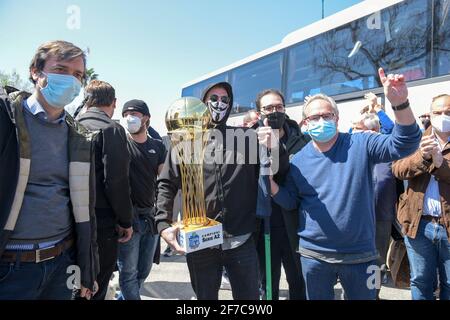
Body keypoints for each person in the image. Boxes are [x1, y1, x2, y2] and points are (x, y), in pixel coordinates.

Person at [269, 68, 422, 300]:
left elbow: (405, 143)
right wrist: (269, 184)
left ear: (337, 119)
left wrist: (399, 103)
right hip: (314, 257)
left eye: (327, 115)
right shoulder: (298, 160)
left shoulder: (361, 143)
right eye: (314, 118)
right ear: (305, 123)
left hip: (362, 257)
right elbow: (291, 201)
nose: (321, 121)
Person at [156, 82, 287, 300]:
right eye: (213, 98)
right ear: (202, 104)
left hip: (241, 240)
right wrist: (162, 224)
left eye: (225, 99)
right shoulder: (186, 140)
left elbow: (278, 170)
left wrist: (274, 147)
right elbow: (166, 184)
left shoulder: (247, 138)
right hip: (200, 243)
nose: (219, 103)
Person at [0, 40, 98, 299]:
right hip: (11, 267)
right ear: (36, 71)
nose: (71, 80)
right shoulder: (6, 119)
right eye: (61, 69)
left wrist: (86, 269)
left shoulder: (79, 136)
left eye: (78, 75)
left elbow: (85, 208)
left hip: (62, 263)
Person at [77, 80, 133, 300]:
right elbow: (116, 181)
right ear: (114, 102)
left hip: (67, 222)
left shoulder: (70, 123)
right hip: (101, 222)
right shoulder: (112, 129)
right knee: (96, 286)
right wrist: (126, 221)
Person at [392, 93, 450, 300]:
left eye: (448, 112)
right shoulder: (416, 139)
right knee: (420, 280)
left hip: (448, 226)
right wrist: (422, 158)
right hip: (418, 225)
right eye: (438, 112)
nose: (443, 116)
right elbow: (397, 169)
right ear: (430, 113)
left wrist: (440, 163)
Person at [254, 89, 310, 300]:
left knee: (298, 280)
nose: (274, 111)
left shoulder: (302, 140)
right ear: (259, 112)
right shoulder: (249, 140)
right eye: (268, 108)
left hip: (296, 224)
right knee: (267, 284)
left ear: (285, 109)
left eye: (278, 107)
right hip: (263, 226)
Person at [116, 99, 166, 300]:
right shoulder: (119, 145)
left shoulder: (158, 147)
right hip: (128, 219)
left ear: (146, 118)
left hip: (151, 218)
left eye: (135, 114)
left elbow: (163, 182)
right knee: (127, 273)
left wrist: (163, 214)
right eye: (126, 114)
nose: (130, 118)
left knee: (143, 271)